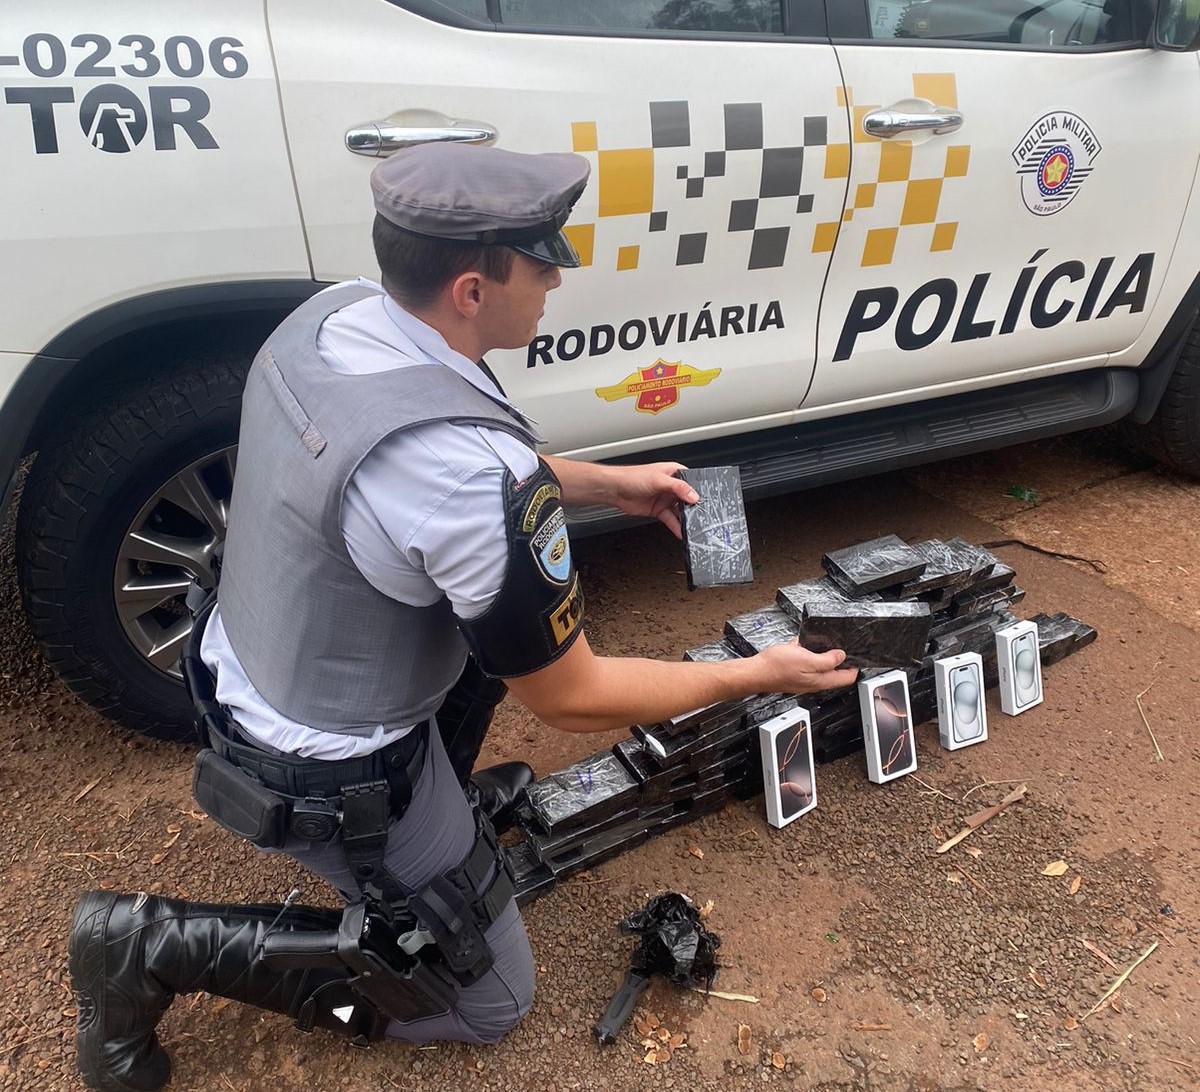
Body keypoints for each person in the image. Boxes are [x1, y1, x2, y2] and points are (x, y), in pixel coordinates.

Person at [67, 143, 857, 1092]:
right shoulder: (466, 478)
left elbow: (436, 465)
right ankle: (146, 948)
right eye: (543, 261)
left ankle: (436, 832)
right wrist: (754, 674)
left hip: (254, 655)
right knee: (491, 1002)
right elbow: (571, 696)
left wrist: (610, 484)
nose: (557, 279)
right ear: (473, 291)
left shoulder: (338, 316)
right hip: (326, 766)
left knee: (504, 618)